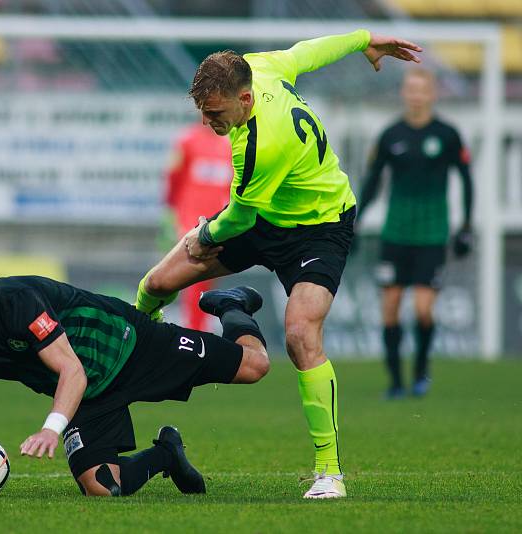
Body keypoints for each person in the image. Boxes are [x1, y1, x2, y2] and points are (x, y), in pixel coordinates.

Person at [133, 30, 423, 499]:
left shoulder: (260, 145)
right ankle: (127, 360)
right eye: (203, 113)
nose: (209, 123)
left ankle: (329, 471)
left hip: (319, 227)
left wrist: (203, 235)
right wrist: (364, 39)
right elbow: (306, 53)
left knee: (300, 334)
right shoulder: (258, 67)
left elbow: (238, 217)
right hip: (267, 215)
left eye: (216, 114)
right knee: (157, 282)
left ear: (244, 99)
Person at [0, 276, 270, 498]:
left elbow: (71, 370)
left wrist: (51, 429)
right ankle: (167, 454)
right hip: (88, 394)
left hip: (131, 346)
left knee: (255, 366)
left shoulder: (16, 303)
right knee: (104, 488)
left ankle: (231, 306)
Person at [356, 68, 473, 400]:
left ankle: (420, 372)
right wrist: (357, 221)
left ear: (432, 94)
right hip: (395, 231)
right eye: (411, 89)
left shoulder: (447, 135)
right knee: (390, 307)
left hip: (432, 233)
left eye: (422, 90)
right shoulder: (391, 135)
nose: (416, 95)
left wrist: (465, 226)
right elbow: (373, 181)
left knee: (423, 309)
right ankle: (395, 382)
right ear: (405, 93)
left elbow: (466, 180)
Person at [163, 121, 232, 331]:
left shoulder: (232, 143)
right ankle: (193, 329)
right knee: (192, 272)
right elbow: (173, 178)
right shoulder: (187, 140)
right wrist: (172, 211)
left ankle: (198, 327)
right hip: (190, 220)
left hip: (221, 221)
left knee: (207, 277)